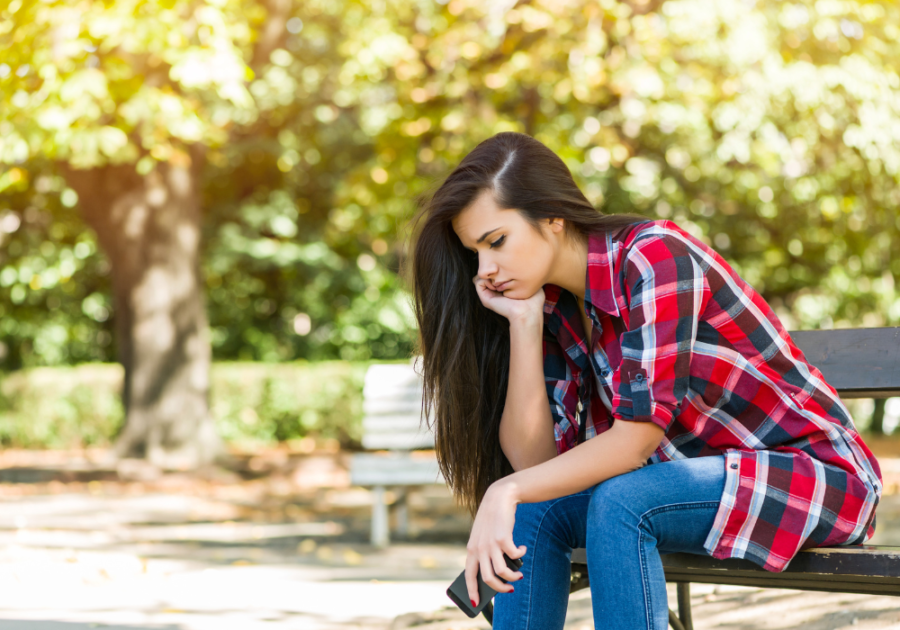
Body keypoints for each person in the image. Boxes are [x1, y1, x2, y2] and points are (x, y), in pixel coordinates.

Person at [405, 131, 882, 630]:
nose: (486, 271)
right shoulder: (555, 308)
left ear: (551, 216)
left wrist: (502, 491)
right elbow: (537, 466)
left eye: (496, 242)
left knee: (619, 501)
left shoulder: (654, 257)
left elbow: (635, 443)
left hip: (815, 478)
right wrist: (523, 326)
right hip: (696, 489)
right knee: (536, 514)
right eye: (474, 254)